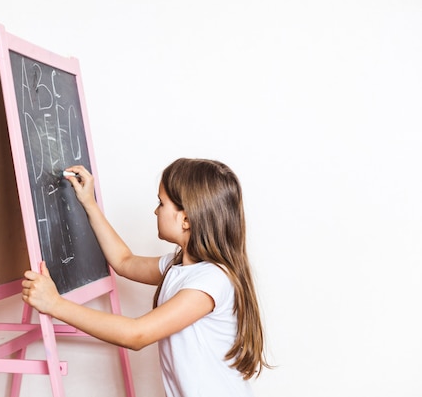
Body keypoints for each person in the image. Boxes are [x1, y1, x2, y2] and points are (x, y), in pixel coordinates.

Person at [22, 158, 269, 396]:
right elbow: (124, 261)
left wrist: (55, 304)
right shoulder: (178, 267)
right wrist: (89, 203)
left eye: (161, 203)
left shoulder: (211, 281)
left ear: (185, 219)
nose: (155, 210)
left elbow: (136, 334)